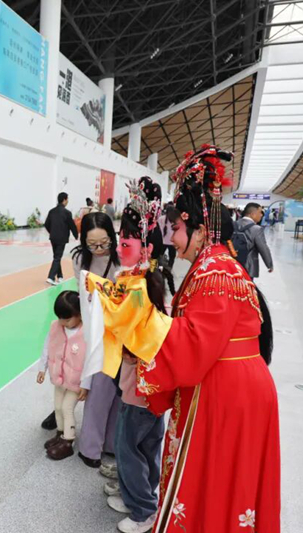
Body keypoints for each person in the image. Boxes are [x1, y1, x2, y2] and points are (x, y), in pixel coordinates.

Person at [83, 145, 280, 533]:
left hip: (228, 394)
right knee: (216, 483)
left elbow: (190, 344)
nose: (171, 238)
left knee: (217, 482)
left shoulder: (215, 273)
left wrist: (135, 316)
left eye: (175, 228)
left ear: (201, 229)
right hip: (225, 387)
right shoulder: (213, 266)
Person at [99, 180, 170, 533]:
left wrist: (97, 293)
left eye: (125, 241)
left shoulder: (139, 286)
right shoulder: (143, 279)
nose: (119, 246)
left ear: (143, 247)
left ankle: (143, 509)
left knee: (129, 446)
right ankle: (139, 497)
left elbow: (120, 320)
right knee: (146, 442)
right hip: (147, 383)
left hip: (139, 384)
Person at [39, 212, 121, 462]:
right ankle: (64, 419)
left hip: (115, 327)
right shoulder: (79, 258)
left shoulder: (122, 260)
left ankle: (97, 441)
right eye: (92, 244)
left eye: (104, 243)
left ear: (113, 238)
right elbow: (82, 294)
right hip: (91, 324)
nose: (98, 249)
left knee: (104, 389)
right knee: (75, 371)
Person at [37, 290, 91, 461]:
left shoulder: (87, 332)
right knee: (58, 406)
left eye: (67, 319)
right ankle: (60, 434)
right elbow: (47, 347)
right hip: (59, 377)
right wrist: (42, 368)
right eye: (60, 318)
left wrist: (86, 384)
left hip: (76, 381)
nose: (63, 323)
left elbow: (91, 359)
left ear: (80, 315)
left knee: (67, 408)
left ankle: (68, 441)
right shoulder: (56, 327)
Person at [44, 192, 79, 285]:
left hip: (53, 238)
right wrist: (76, 235)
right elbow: (72, 225)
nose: (68, 201)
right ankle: (51, 277)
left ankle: (60, 276)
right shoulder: (67, 213)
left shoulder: (51, 211)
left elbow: (46, 224)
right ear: (64, 200)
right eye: (67, 199)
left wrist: (52, 232)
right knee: (57, 257)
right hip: (61, 238)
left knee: (56, 257)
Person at [234, 202, 274, 279]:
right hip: (248, 266)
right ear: (252, 214)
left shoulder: (234, 224)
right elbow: (263, 248)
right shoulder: (257, 229)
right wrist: (269, 265)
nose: (261, 215)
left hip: (233, 264)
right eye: (260, 212)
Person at [157, 203, 176, 270]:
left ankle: (160, 268)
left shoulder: (160, 219)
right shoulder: (175, 220)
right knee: (172, 257)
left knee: (160, 255)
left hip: (162, 241)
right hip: (172, 243)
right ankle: (169, 269)